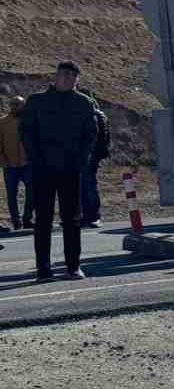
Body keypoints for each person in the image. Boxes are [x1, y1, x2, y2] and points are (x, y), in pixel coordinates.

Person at [19, 61, 99, 281]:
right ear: (56, 76)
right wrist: (35, 159)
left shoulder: (84, 103)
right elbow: (26, 131)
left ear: (77, 80)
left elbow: (90, 134)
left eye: (72, 76)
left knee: (72, 220)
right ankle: (43, 269)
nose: (67, 78)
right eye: (64, 74)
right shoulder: (37, 101)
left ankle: (73, 266)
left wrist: (81, 160)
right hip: (43, 168)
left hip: (70, 169)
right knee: (43, 219)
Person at [79, 88, 110, 228]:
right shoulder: (95, 114)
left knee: (88, 185)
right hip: (88, 155)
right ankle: (87, 216)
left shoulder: (93, 114)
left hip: (89, 155)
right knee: (84, 185)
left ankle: (92, 216)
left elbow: (98, 137)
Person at [1, 95, 31, 232]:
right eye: (12, 104)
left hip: (27, 165)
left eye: (17, 104)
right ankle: (16, 221)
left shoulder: (30, 120)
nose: (14, 106)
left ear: (23, 105)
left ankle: (27, 219)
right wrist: (4, 162)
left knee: (32, 192)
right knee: (12, 195)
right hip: (10, 166)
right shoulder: (2, 122)